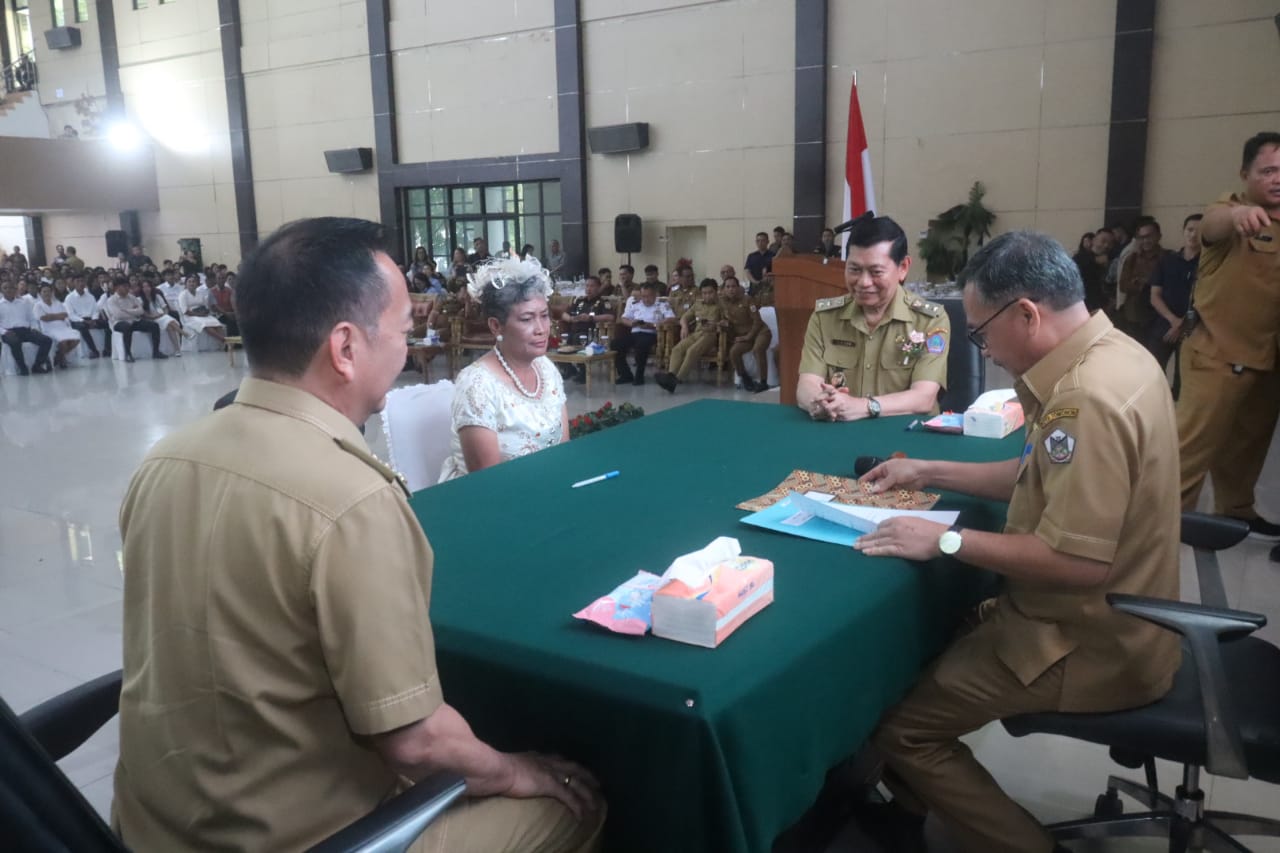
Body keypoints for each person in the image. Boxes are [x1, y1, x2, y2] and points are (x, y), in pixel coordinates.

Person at [113, 218, 603, 852]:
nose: (406, 351)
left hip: (152, 825)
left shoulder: (163, 461)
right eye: (402, 332)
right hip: (302, 837)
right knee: (575, 800)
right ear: (346, 348)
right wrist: (518, 770)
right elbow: (417, 742)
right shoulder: (353, 499)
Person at [852, 230, 1180, 853]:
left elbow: (1078, 561)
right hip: (1127, 618)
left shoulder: (1084, 400)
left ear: (1026, 314)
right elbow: (1039, 478)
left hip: (1087, 640)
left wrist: (944, 543)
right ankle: (914, 804)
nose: (987, 350)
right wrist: (928, 471)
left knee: (902, 729)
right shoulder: (1117, 355)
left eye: (981, 333)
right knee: (924, 643)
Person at [1176, 131, 1280, 539]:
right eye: (1268, 170)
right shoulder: (1231, 211)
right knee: (1191, 446)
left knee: (1246, 448)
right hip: (1216, 354)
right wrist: (1237, 218)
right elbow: (1212, 225)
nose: (1277, 178)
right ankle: (1167, 517)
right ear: (1245, 173)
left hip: (1267, 359)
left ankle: (1237, 511)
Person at [796, 215, 949, 421]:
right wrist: (820, 402)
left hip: (906, 437)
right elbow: (806, 384)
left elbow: (923, 398)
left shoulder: (930, 320)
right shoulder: (825, 317)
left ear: (903, 267)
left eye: (876, 271)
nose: (863, 282)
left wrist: (862, 407)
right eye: (854, 269)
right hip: (840, 432)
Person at [439, 254, 569, 482]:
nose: (541, 329)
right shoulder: (476, 385)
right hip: (493, 500)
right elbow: (488, 481)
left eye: (545, 316)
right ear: (496, 325)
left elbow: (563, 450)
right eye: (527, 319)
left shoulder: (546, 368)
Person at [1146, 213, 1201, 379]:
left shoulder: (1206, 264)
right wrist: (1174, 321)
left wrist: (1183, 324)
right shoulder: (1167, 260)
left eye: (1198, 231)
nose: (1193, 234)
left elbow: (1207, 300)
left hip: (1192, 328)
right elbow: (1154, 296)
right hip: (1164, 324)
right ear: (1183, 231)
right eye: (1190, 229)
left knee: (1183, 379)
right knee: (1152, 372)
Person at [656, 278, 723, 392]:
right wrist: (684, 326)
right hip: (696, 334)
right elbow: (684, 317)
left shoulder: (721, 305)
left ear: (716, 292)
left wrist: (718, 324)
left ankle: (677, 380)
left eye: (710, 292)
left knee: (691, 351)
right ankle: (671, 376)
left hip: (710, 335)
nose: (707, 296)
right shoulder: (698, 304)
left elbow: (727, 322)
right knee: (677, 349)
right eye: (704, 293)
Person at [612, 281, 673, 385]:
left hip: (652, 333)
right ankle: (625, 374)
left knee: (642, 344)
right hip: (635, 332)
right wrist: (632, 323)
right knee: (615, 344)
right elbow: (623, 318)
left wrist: (653, 325)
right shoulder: (636, 304)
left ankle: (639, 376)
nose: (646, 299)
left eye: (648, 296)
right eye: (643, 296)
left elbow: (672, 319)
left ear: (655, 295)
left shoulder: (662, 304)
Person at [721, 275, 771, 392]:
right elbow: (730, 325)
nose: (731, 289)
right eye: (728, 287)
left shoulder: (747, 300)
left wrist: (748, 336)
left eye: (733, 286)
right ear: (724, 289)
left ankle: (763, 382)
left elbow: (757, 321)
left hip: (760, 332)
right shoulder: (724, 304)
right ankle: (745, 378)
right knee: (733, 352)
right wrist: (725, 326)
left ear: (738, 288)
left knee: (758, 349)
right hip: (744, 336)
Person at [1114, 217, 1162, 336]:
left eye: (1149, 236)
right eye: (1142, 237)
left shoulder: (1168, 258)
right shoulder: (1132, 258)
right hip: (1133, 316)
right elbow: (1123, 286)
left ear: (1158, 236)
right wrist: (1146, 284)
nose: (1145, 240)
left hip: (1159, 316)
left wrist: (1139, 282)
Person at [0, 279, 54, 374]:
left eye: (11, 288)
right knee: (14, 342)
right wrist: (4, 332)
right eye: (5, 288)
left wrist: (34, 328)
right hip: (8, 332)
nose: (9, 290)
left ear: (15, 289)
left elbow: (32, 318)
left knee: (47, 340)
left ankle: (37, 365)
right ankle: (22, 368)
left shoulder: (23, 303)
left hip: (25, 330)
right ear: (1, 290)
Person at [106, 279, 166, 361]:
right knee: (126, 327)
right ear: (117, 288)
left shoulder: (132, 297)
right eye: (124, 286)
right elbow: (118, 315)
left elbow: (141, 311)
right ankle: (128, 354)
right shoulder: (111, 300)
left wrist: (126, 310)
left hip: (134, 320)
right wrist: (134, 311)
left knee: (154, 325)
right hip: (119, 323)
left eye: (128, 286)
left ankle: (156, 352)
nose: (127, 289)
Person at [33, 283, 82, 368]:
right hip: (49, 329)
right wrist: (58, 316)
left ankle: (59, 356)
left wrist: (52, 316)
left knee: (76, 338)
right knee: (63, 341)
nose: (47, 293)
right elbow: (44, 318)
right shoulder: (38, 305)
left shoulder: (57, 303)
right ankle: (62, 359)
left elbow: (65, 315)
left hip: (62, 327)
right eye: (44, 291)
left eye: (49, 291)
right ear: (40, 293)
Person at [65, 274, 109, 358]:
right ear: (74, 283)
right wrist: (83, 321)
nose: (80, 283)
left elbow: (95, 310)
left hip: (91, 319)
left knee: (108, 324)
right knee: (82, 327)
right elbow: (71, 314)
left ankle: (107, 349)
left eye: (82, 281)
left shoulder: (90, 296)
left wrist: (94, 319)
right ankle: (93, 350)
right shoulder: (69, 298)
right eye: (78, 281)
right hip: (77, 321)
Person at [140, 279, 185, 355]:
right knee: (169, 321)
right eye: (144, 287)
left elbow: (165, 308)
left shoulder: (157, 296)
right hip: (152, 319)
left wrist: (164, 314)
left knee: (170, 326)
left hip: (162, 317)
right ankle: (183, 333)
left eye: (148, 286)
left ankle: (177, 350)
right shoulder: (140, 299)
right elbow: (143, 314)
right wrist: (154, 316)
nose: (146, 289)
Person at [179, 275, 227, 345]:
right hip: (190, 316)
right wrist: (199, 315)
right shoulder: (183, 295)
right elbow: (185, 311)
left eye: (193, 282)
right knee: (205, 324)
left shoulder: (200, 293)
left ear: (197, 283)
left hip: (203, 314)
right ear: (186, 284)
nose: (192, 283)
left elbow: (206, 306)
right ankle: (223, 340)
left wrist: (206, 312)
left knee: (216, 323)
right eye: (189, 282)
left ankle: (225, 342)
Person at [1073, 227, 1112, 313]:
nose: (1106, 246)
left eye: (1110, 243)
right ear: (1094, 240)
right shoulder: (1080, 257)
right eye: (1103, 241)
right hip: (1082, 306)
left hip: (1100, 306)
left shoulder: (1109, 261)